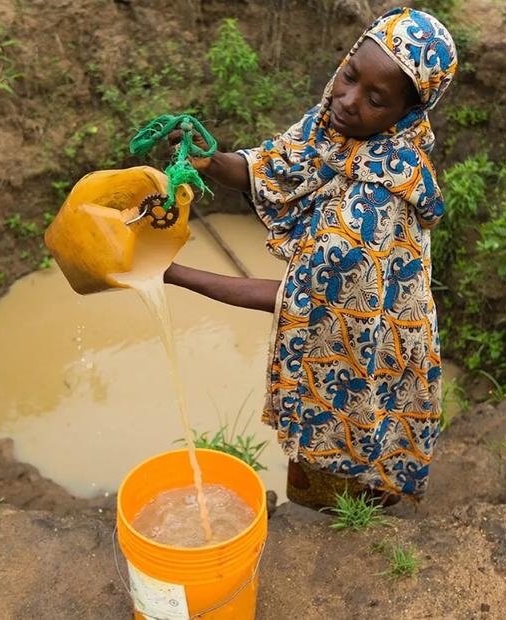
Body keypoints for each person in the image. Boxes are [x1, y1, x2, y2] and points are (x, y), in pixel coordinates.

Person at [165, 7, 458, 508]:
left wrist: (171, 273)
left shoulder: (374, 207)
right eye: (350, 76)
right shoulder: (334, 129)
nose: (347, 100)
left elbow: (299, 300)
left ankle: (348, 531)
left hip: (369, 345)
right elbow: (273, 167)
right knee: (336, 461)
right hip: (348, 315)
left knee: (346, 451)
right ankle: (349, 517)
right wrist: (210, 161)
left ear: (405, 114)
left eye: (375, 98)